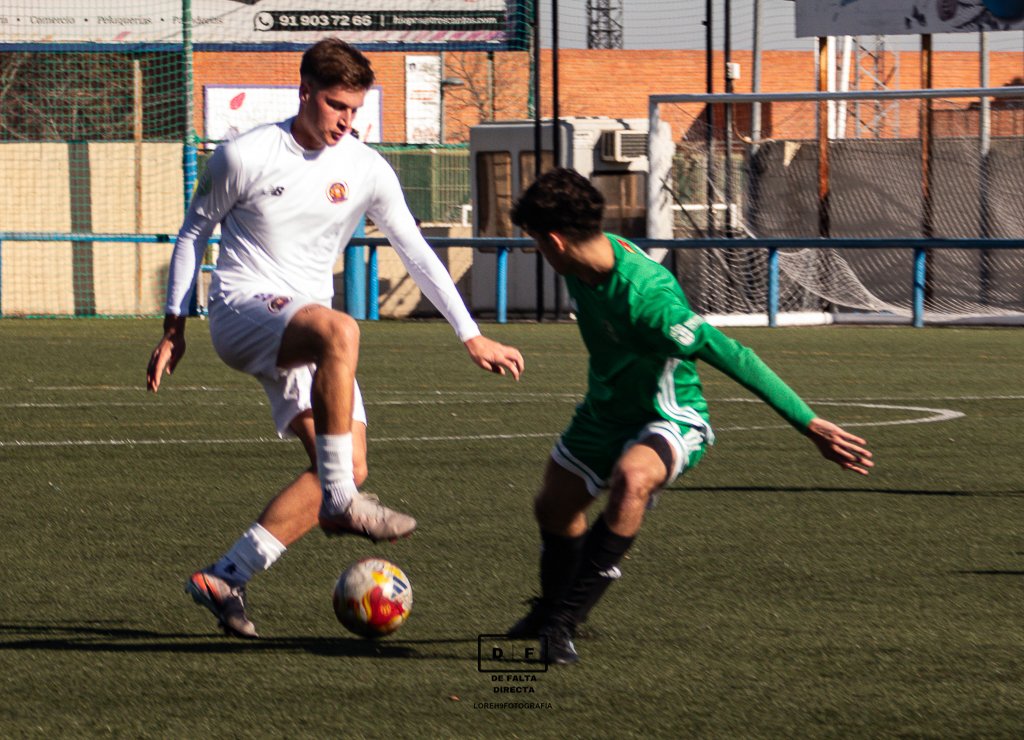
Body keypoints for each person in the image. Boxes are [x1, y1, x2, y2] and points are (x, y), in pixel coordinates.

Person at [146, 38, 524, 639]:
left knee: (349, 463)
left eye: (355, 108)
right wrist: (175, 326)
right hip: (243, 310)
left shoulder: (367, 168)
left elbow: (415, 251)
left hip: (307, 330)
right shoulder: (244, 155)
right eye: (336, 105)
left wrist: (470, 335)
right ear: (304, 92)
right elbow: (194, 234)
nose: (346, 120)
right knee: (341, 330)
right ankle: (340, 502)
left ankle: (226, 575)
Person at [506, 168, 873, 665]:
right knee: (553, 507)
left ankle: (563, 621)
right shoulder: (583, 263)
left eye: (535, 241)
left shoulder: (649, 299)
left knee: (632, 479)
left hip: (669, 415)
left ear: (555, 241)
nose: (536, 251)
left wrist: (808, 423)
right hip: (605, 409)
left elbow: (733, 354)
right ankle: (551, 606)